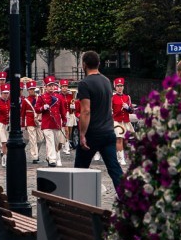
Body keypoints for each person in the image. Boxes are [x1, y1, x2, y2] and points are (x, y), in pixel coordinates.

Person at [74, 51, 122, 188]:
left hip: (92, 133)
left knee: (78, 171)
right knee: (114, 169)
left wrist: (82, 134)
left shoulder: (85, 83)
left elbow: (86, 111)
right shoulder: (107, 81)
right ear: (99, 63)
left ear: (84, 65)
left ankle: (77, 202)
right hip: (108, 131)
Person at [37, 75, 67, 167]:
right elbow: (37, 109)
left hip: (56, 123)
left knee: (56, 142)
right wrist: (43, 108)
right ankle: (52, 160)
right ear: (45, 87)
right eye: (49, 85)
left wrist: (64, 120)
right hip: (47, 123)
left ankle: (49, 157)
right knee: (50, 141)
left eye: (52, 85)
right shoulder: (42, 97)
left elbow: (62, 110)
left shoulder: (58, 97)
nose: (51, 87)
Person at [112, 77, 135, 165]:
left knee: (125, 141)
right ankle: (121, 159)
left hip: (125, 121)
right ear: (115, 87)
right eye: (118, 86)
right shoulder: (112, 98)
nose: (119, 88)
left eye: (121, 86)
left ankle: (119, 154)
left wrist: (128, 108)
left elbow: (132, 111)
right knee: (119, 138)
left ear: (123, 87)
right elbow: (110, 110)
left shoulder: (127, 97)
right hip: (117, 121)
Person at [21, 80, 42, 164]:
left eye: (33, 89)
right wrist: (22, 124)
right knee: (32, 139)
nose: (32, 91)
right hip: (29, 120)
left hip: (38, 120)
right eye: (30, 89)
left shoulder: (39, 99)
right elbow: (22, 113)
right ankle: (34, 156)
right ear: (28, 90)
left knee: (40, 139)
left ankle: (36, 152)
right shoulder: (25, 100)